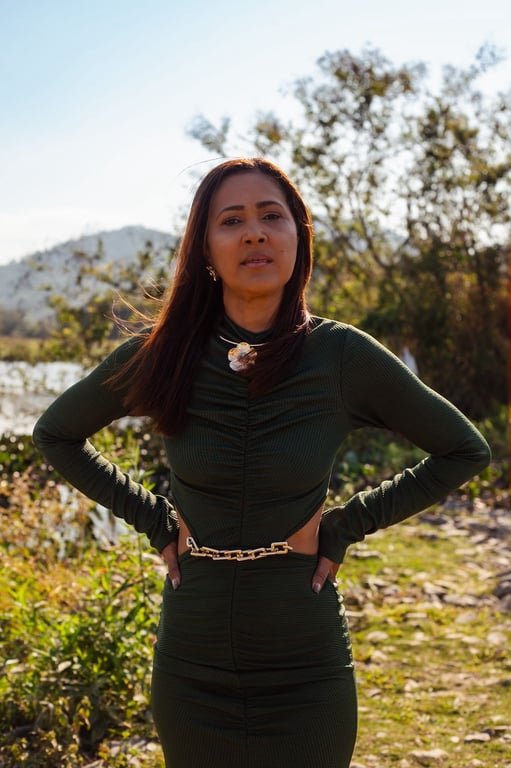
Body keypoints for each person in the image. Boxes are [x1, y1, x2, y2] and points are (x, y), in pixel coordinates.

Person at [33, 157, 491, 768]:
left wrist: (346, 525)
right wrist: (153, 520)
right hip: (191, 666)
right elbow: (56, 434)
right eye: (231, 220)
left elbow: (464, 449)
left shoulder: (341, 355)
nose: (254, 233)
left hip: (306, 668)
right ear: (205, 249)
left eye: (271, 216)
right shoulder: (162, 354)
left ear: (298, 236)